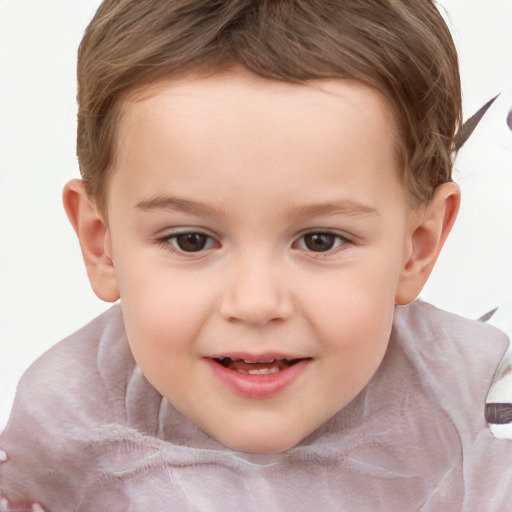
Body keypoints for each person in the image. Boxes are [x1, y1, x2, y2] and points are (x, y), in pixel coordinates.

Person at [1, 0, 511, 510]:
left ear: (417, 246)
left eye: (320, 240)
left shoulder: (482, 410)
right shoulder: (63, 429)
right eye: (191, 240)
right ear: (101, 242)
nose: (255, 302)